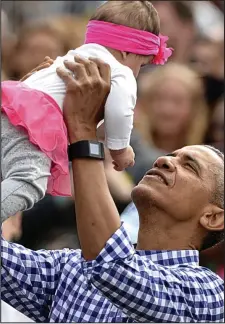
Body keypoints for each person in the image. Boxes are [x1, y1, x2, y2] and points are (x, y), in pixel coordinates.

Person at [2, 56, 224, 323]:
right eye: (172, 155)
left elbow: (111, 266)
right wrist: (21, 116)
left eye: (190, 166)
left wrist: (84, 130)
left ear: (213, 217)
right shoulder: (73, 267)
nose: (165, 160)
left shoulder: (207, 294)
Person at [1, 1, 173, 221]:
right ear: (125, 52)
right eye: (141, 64)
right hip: (29, 126)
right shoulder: (120, 70)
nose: (137, 72)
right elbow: (121, 112)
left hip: (10, 108)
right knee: (29, 182)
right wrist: (120, 149)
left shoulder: (72, 56)